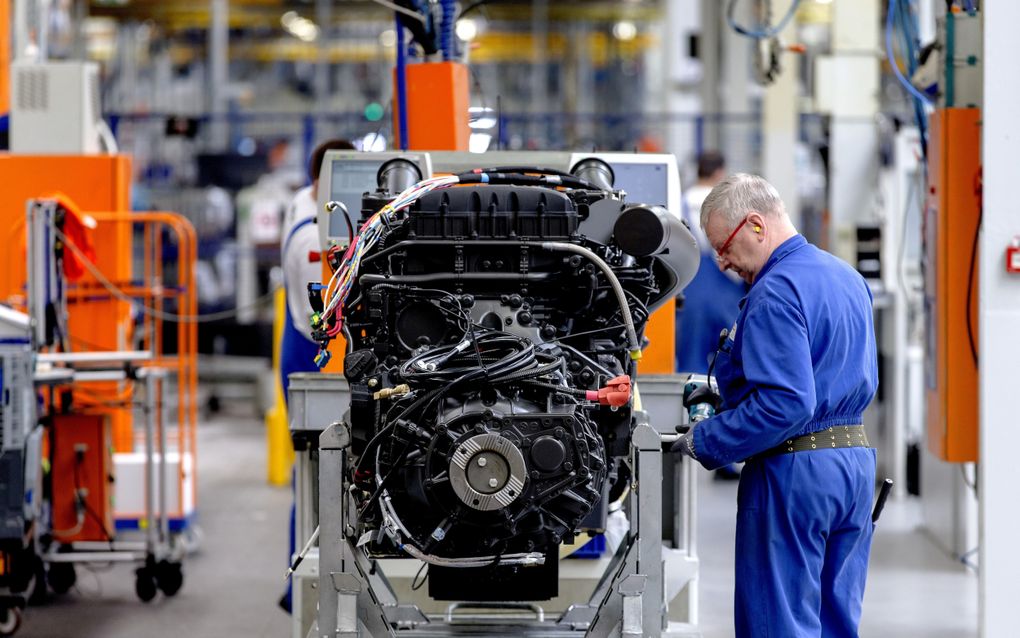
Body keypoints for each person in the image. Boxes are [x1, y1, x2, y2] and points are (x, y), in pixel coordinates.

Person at [672, 173, 878, 637]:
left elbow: (786, 404)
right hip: (854, 469)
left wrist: (703, 439)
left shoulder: (775, 290)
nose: (721, 263)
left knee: (778, 623)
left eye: (724, 247)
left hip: (796, 473)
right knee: (835, 622)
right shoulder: (847, 277)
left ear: (756, 227)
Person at [278, 138, 354, 614]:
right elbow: (327, 319)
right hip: (316, 359)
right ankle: (307, 587)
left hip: (314, 353)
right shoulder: (314, 237)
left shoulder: (304, 207)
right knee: (319, 477)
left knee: (323, 477)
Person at [676, 152, 747, 479]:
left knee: (691, 364)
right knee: (728, 364)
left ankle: (685, 435)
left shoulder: (680, 198)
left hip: (689, 288)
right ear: (719, 171)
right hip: (723, 292)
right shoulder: (725, 204)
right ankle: (727, 454)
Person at [279, 138, 355, 399]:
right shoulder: (315, 239)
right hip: (313, 361)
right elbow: (319, 319)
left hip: (298, 351)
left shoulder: (301, 199)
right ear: (322, 182)